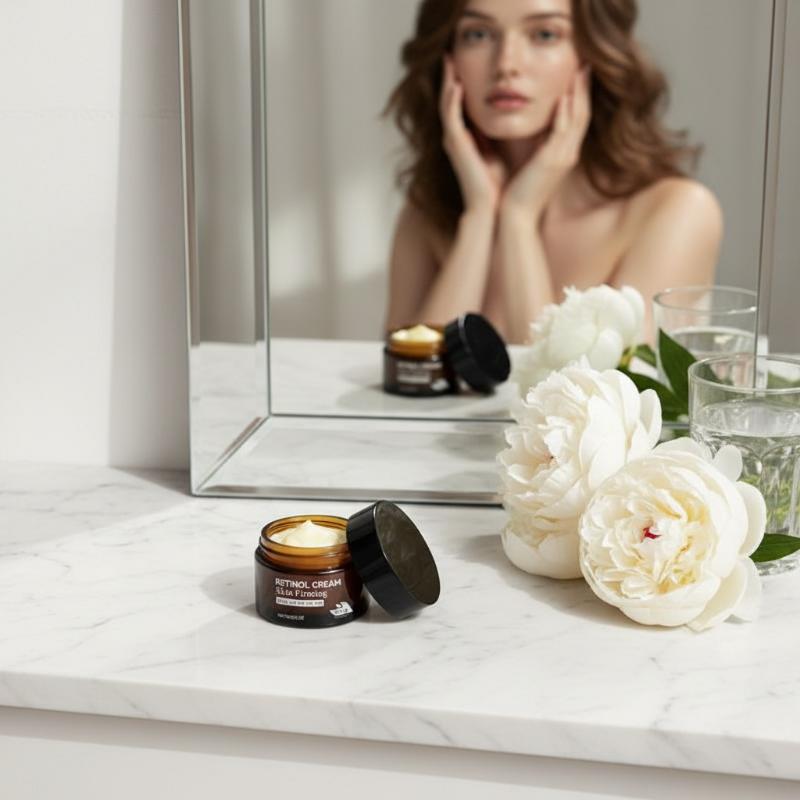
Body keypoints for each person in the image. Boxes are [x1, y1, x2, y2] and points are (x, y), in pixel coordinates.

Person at [383, 0, 722, 343]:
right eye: (478, 34)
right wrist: (479, 218)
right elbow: (412, 372)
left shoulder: (677, 211)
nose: (506, 64)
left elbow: (559, 378)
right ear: (447, 57)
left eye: (544, 34)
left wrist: (518, 218)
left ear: (592, 54)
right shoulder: (426, 215)